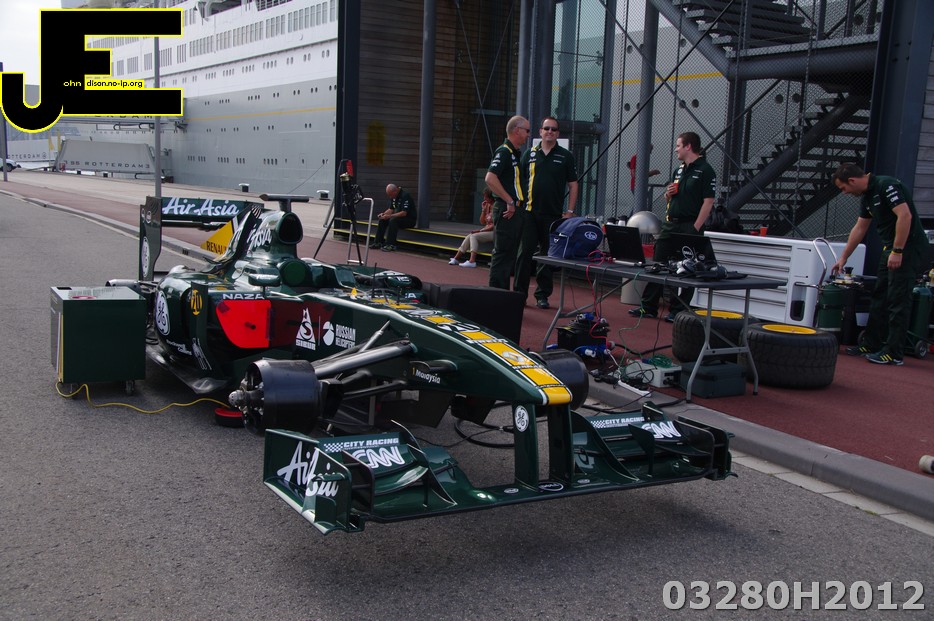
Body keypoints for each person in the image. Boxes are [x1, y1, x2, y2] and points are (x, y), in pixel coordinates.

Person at [830, 163, 929, 365]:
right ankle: (871, 343)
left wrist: (898, 251)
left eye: (843, 188)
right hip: (889, 248)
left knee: (898, 298)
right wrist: (843, 257)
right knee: (879, 295)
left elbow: (905, 215)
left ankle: (893, 353)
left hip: (906, 248)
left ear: (852, 180)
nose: (845, 193)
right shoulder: (867, 197)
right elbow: (860, 228)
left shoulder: (886, 185)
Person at [629, 131, 716, 321]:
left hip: (690, 225)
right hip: (671, 224)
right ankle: (648, 307)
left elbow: (708, 202)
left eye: (678, 145)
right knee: (658, 264)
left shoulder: (706, 170)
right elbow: (671, 198)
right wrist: (668, 195)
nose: (676, 149)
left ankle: (678, 310)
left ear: (688, 146)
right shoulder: (679, 170)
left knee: (687, 268)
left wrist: (695, 228)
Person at [514, 116, 579, 309]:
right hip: (529, 213)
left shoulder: (565, 156)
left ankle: (542, 295)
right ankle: (519, 294)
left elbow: (573, 185)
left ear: (558, 134)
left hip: (553, 215)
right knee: (524, 254)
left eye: (554, 129)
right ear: (540, 131)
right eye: (547, 128)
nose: (550, 131)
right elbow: (519, 181)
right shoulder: (529, 154)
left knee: (547, 256)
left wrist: (570, 211)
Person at [486, 115, 531, 290]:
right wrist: (509, 200)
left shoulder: (513, 153)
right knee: (502, 254)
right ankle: (497, 295)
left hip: (515, 210)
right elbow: (490, 178)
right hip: (507, 210)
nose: (528, 135)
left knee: (509, 254)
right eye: (527, 131)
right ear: (517, 130)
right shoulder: (504, 151)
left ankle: (502, 294)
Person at [449, 187, 494, 268]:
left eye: (486, 197)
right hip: (486, 230)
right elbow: (482, 222)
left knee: (474, 236)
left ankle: (472, 261)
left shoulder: (496, 207)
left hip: (495, 232)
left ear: (491, 197)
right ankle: (456, 258)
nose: (484, 199)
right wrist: (483, 210)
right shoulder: (487, 205)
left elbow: (493, 225)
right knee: (470, 235)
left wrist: (480, 231)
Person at [370, 184, 416, 252]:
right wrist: (384, 214)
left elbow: (404, 213)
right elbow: (391, 209)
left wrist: (389, 216)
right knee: (382, 220)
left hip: (409, 220)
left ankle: (390, 244)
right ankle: (378, 242)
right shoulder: (394, 196)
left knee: (393, 221)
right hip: (399, 218)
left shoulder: (405, 196)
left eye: (391, 195)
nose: (390, 197)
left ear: (395, 191)